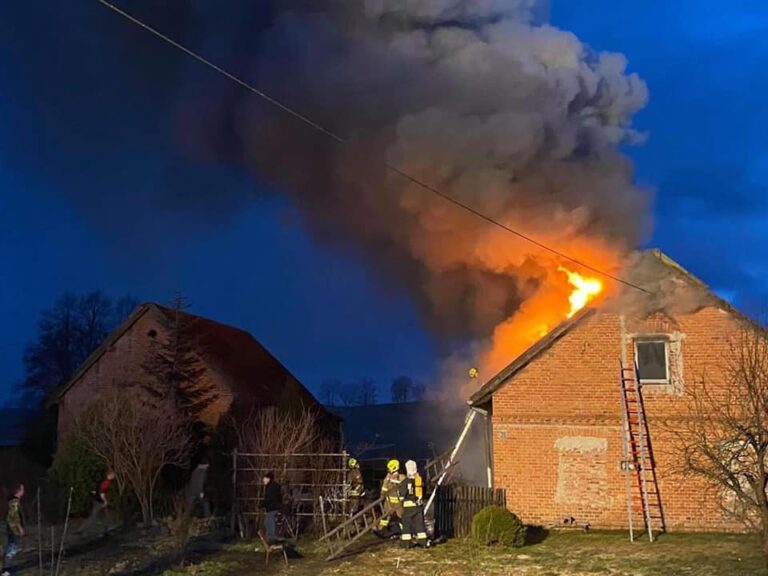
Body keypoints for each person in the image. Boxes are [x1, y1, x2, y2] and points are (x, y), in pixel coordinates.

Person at [399, 460, 430, 548]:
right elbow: (424, 492)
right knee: (420, 525)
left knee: (406, 525)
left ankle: (406, 544)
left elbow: (401, 495)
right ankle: (423, 543)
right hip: (419, 506)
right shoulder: (419, 480)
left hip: (408, 508)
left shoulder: (406, 482)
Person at [78, 470, 115, 536]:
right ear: (109, 475)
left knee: (106, 515)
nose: (114, 476)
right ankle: (82, 529)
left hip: (98, 500)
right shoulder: (106, 482)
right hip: (99, 501)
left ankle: (107, 529)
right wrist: (105, 501)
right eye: (113, 475)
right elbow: (102, 492)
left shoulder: (103, 481)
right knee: (94, 516)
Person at [375, 459, 404, 538]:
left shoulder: (401, 477)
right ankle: (381, 529)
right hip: (388, 500)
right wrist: (382, 495)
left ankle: (404, 531)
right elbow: (384, 487)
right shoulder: (388, 476)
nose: (388, 470)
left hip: (398, 502)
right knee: (386, 516)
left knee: (401, 516)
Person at [2, 484, 25, 576]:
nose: (24, 491)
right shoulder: (14, 502)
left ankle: (7, 568)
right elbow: (14, 517)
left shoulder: (13, 501)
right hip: (13, 529)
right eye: (23, 489)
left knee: (11, 547)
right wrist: (19, 528)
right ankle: (6, 570)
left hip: (11, 528)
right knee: (12, 548)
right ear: (18, 491)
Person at [262, 472, 282, 543]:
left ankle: (272, 538)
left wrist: (262, 504)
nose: (263, 480)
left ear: (268, 479)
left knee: (270, 522)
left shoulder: (270, 488)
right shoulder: (275, 486)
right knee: (268, 522)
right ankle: (272, 537)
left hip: (272, 508)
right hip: (274, 507)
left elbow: (268, 498)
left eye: (264, 478)